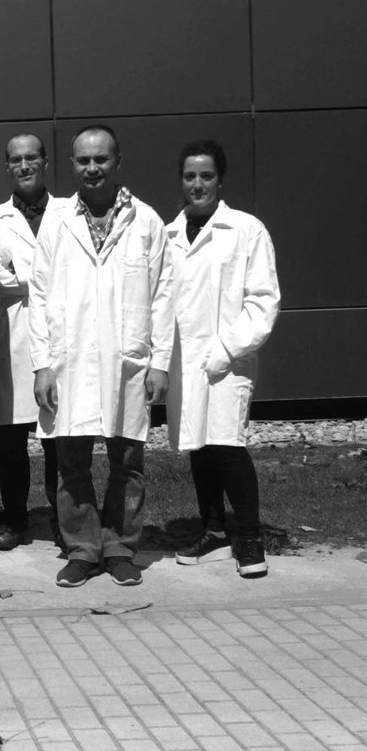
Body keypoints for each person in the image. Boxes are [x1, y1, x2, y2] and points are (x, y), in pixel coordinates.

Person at [29, 125, 173, 588]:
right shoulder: (57, 221)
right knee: (71, 462)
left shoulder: (145, 221)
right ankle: (83, 549)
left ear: (117, 161)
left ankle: (120, 548)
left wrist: (160, 362)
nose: (92, 168)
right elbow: (38, 294)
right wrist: (42, 363)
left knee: (127, 461)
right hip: (68, 359)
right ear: (72, 164)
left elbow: (162, 295)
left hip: (126, 359)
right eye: (84, 160)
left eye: (101, 159)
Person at [167, 140, 279, 578]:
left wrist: (226, 349)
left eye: (206, 176)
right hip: (185, 360)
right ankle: (213, 531)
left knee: (228, 446)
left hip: (229, 360)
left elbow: (263, 301)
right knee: (199, 445)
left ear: (220, 179)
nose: (197, 184)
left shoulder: (247, 230)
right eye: (190, 176)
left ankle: (250, 538)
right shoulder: (169, 235)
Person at [0, 133, 67, 552]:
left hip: (59, 334)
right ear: (7, 166)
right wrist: (41, 278)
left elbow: (72, 271)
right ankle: (14, 517)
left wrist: (20, 274)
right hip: (13, 335)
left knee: (58, 435)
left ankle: (64, 519)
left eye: (31, 157)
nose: (24, 165)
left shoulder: (69, 212)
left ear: (46, 162)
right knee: (12, 437)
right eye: (15, 159)